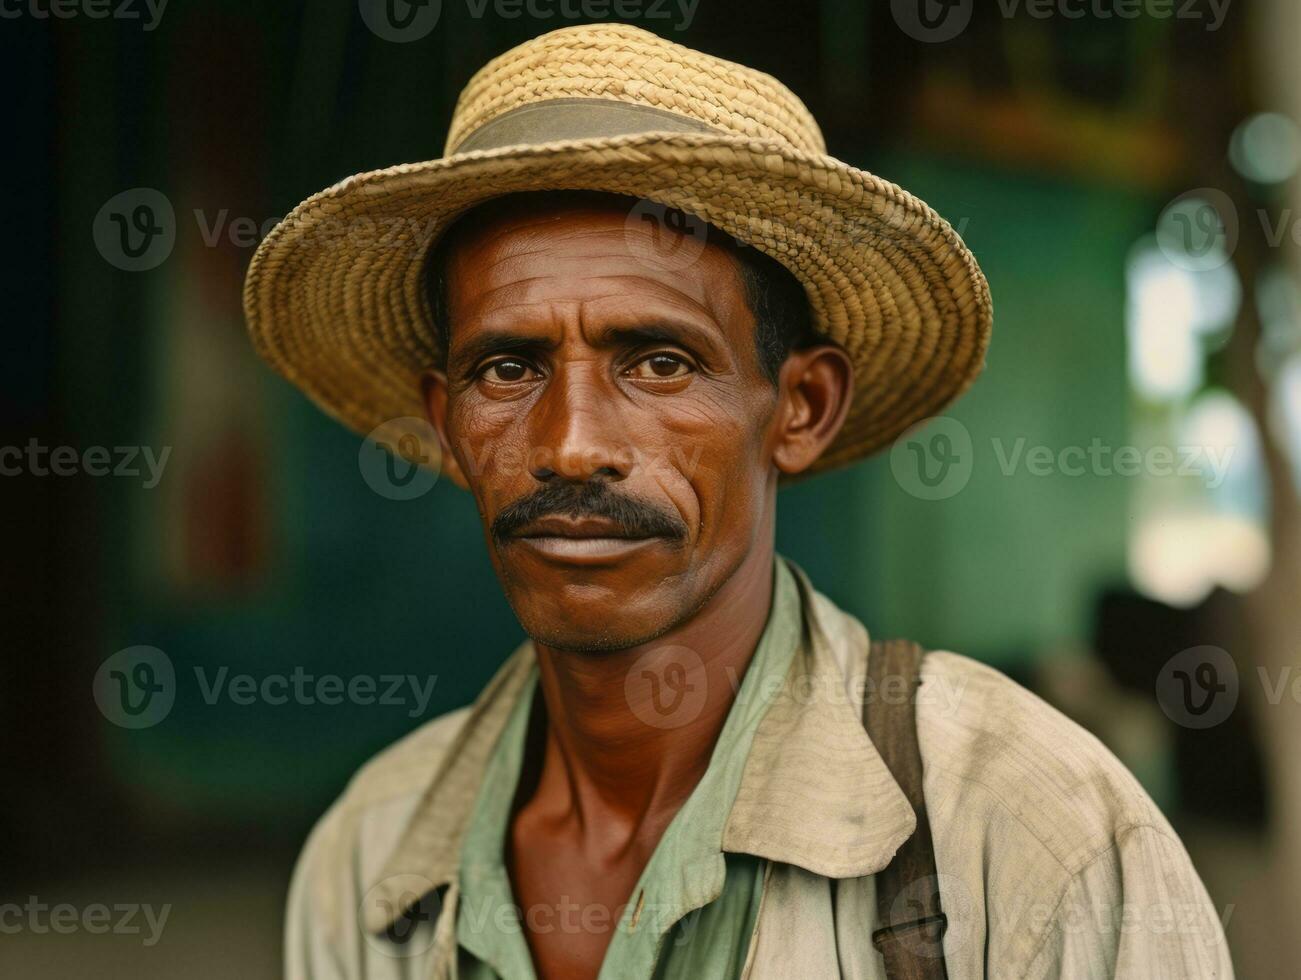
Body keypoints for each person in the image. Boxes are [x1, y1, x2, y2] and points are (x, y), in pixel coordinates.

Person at [244, 23, 1232, 980]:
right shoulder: (369, 861)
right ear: (445, 422)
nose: (570, 443)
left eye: (659, 362)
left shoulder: (1027, 837)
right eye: (506, 367)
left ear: (798, 408)